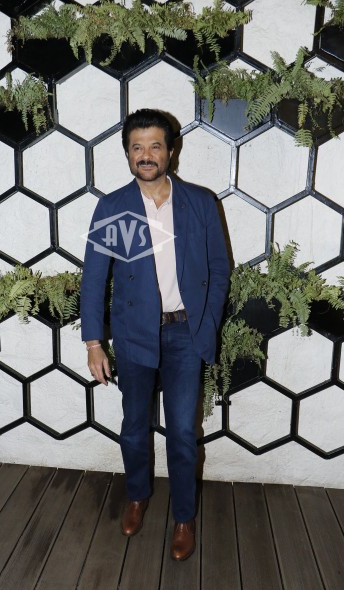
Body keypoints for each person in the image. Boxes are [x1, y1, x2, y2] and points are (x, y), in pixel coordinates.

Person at [80, 108, 230, 561]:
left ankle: (183, 515)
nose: (146, 155)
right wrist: (93, 343)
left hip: (186, 334)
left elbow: (219, 269)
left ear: (170, 151)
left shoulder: (200, 202)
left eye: (154, 146)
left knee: (182, 431)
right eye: (137, 147)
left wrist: (207, 323)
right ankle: (138, 495)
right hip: (134, 336)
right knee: (133, 427)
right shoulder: (115, 207)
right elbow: (94, 279)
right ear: (128, 153)